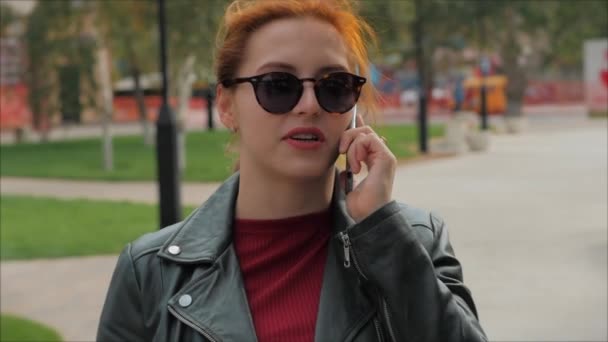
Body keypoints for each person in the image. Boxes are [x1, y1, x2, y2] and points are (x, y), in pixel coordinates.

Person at [97, 0, 487, 341]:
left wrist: (381, 233)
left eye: (333, 86)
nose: (308, 105)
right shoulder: (150, 273)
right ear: (226, 105)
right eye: (278, 85)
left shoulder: (412, 240)